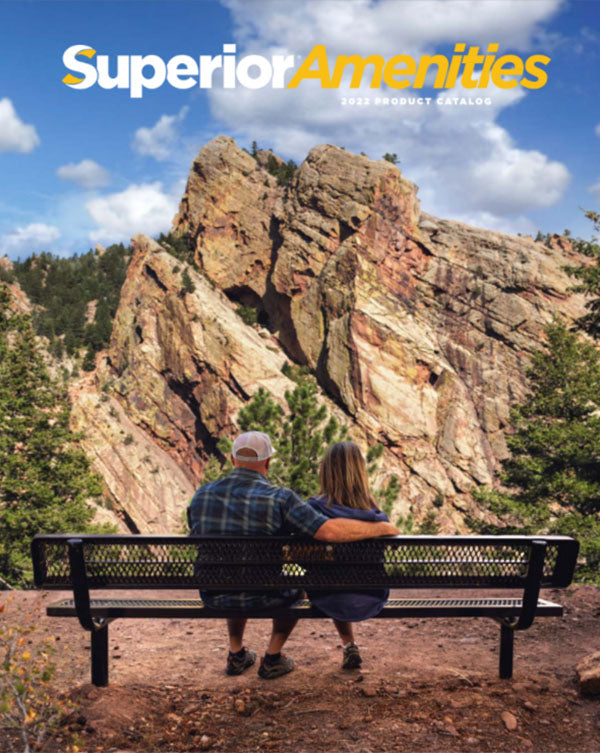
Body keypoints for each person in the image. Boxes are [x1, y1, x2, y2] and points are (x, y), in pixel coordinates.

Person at [187, 431, 399, 680]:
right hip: (266, 596)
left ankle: (236, 652)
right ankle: (273, 657)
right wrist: (382, 528)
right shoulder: (280, 498)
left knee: (232, 571)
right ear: (267, 463)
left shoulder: (202, 494)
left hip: (215, 593)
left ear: (233, 460)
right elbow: (328, 532)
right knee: (294, 586)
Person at [306, 441, 391, 670]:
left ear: (326, 471)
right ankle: (349, 644)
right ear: (361, 472)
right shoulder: (376, 515)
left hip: (326, 595)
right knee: (343, 577)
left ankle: (348, 644)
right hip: (371, 594)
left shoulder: (314, 509)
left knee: (331, 578)